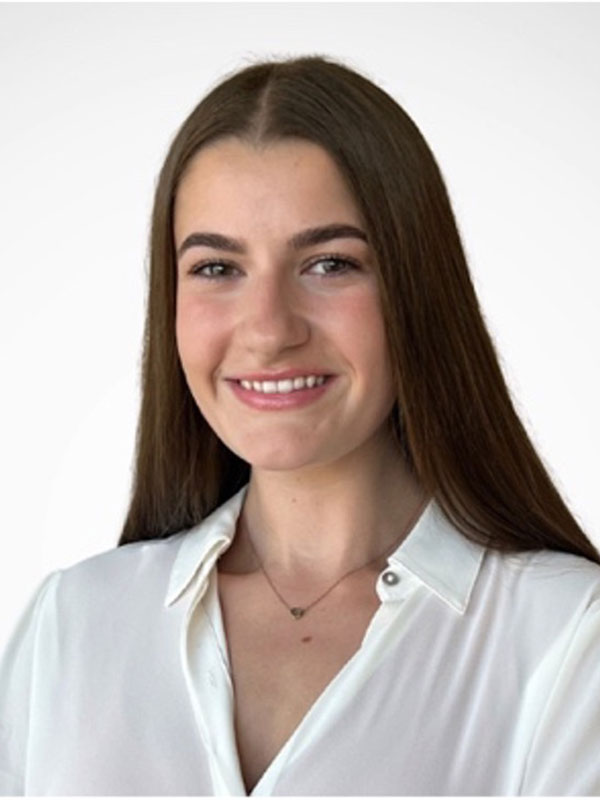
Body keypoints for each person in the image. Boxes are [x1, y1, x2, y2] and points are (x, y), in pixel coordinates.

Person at [1, 54, 599, 797]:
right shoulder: (73, 626)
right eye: (218, 268)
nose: (269, 330)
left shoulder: (569, 639)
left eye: (328, 264)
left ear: (417, 287)